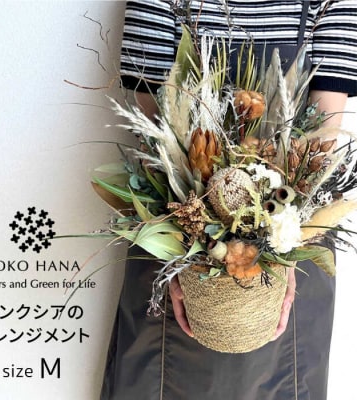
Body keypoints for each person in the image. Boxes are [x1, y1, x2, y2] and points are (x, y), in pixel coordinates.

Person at [100, 1, 357, 399]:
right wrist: (184, 261)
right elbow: (155, 143)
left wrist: (279, 256)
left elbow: (317, 147)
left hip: (290, 239)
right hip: (176, 233)